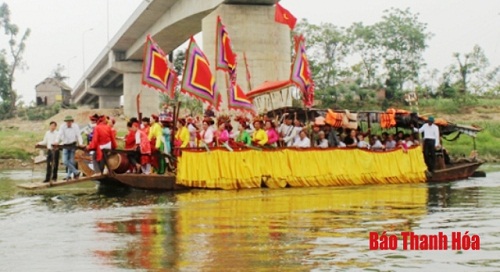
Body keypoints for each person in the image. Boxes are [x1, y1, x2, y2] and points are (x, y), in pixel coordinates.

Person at [56, 115, 83, 180]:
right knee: (65, 161)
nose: (68, 123)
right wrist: (56, 141)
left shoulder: (75, 126)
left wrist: (81, 143)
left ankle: (68, 176)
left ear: (72, 122)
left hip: (73, 145)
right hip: (65, 145)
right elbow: (59, 134)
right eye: (67, 122)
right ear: (65, 122)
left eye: (69, 122)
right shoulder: (63, 126)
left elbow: (78, 135)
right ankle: (76, 172)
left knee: (71, 162)